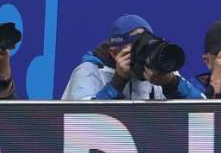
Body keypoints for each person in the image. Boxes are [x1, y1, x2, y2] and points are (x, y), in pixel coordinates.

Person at [62, 15, 205, 100]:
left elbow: (205, 111)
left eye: (148, 44)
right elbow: (79, 123)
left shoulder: (159, 68)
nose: (145, 52)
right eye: (137, 45)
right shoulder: (89, 71)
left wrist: (171, 84)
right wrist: (117, 82)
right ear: (114, 52)